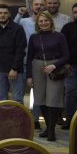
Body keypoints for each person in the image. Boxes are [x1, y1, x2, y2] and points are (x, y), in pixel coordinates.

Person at [27, 11, 70, 142]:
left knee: (53, 99)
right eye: (41, 21)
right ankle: (48, 128)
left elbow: (66, 56)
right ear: (37, 23)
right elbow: (29, 58)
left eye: (46, 20)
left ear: (51, 21)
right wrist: (29, 76)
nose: (43, 23)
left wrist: (54, 65)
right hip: (37, 67)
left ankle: (51, 131)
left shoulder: (59, 36)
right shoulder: (34, 37)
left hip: (54, 68)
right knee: (40, 99)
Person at [61, 3, 77, 129]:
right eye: (75, 12)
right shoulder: (67, 27)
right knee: (70, 94)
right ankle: (70, 120)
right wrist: (66, 62)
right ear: (72, 14)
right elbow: (62, 47)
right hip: (71, 67)